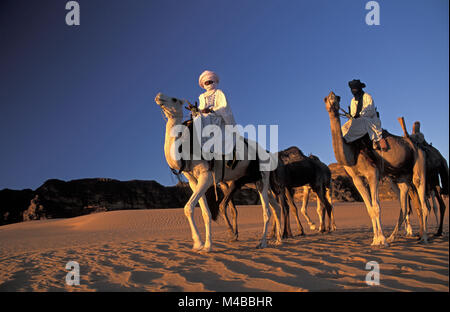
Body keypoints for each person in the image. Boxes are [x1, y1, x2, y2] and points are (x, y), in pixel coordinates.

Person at [193, 70, 236, 164]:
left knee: (205, 118)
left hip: (217, 117)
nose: (208, 84)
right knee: (196, 120)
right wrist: (196, 110)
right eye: (206, 82)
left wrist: (212, 110)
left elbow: (224, 107)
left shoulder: (218, 92)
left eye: (210, 82)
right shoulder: (202, 96)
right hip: (205, 116)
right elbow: (201, 108)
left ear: (214, 82)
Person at [341, 79, 388, 151]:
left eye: (355, 89)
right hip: (356, 120)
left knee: (359, 124)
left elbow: (370, 111)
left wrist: (359, 115)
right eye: (352, 89)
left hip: (369, 119)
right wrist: (351, 116)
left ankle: (377, 141)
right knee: (344, 127)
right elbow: (353, 113)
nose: (354, 91)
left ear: (359, 88)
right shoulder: (353, 100)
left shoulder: (367, 97)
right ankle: (347, 142)